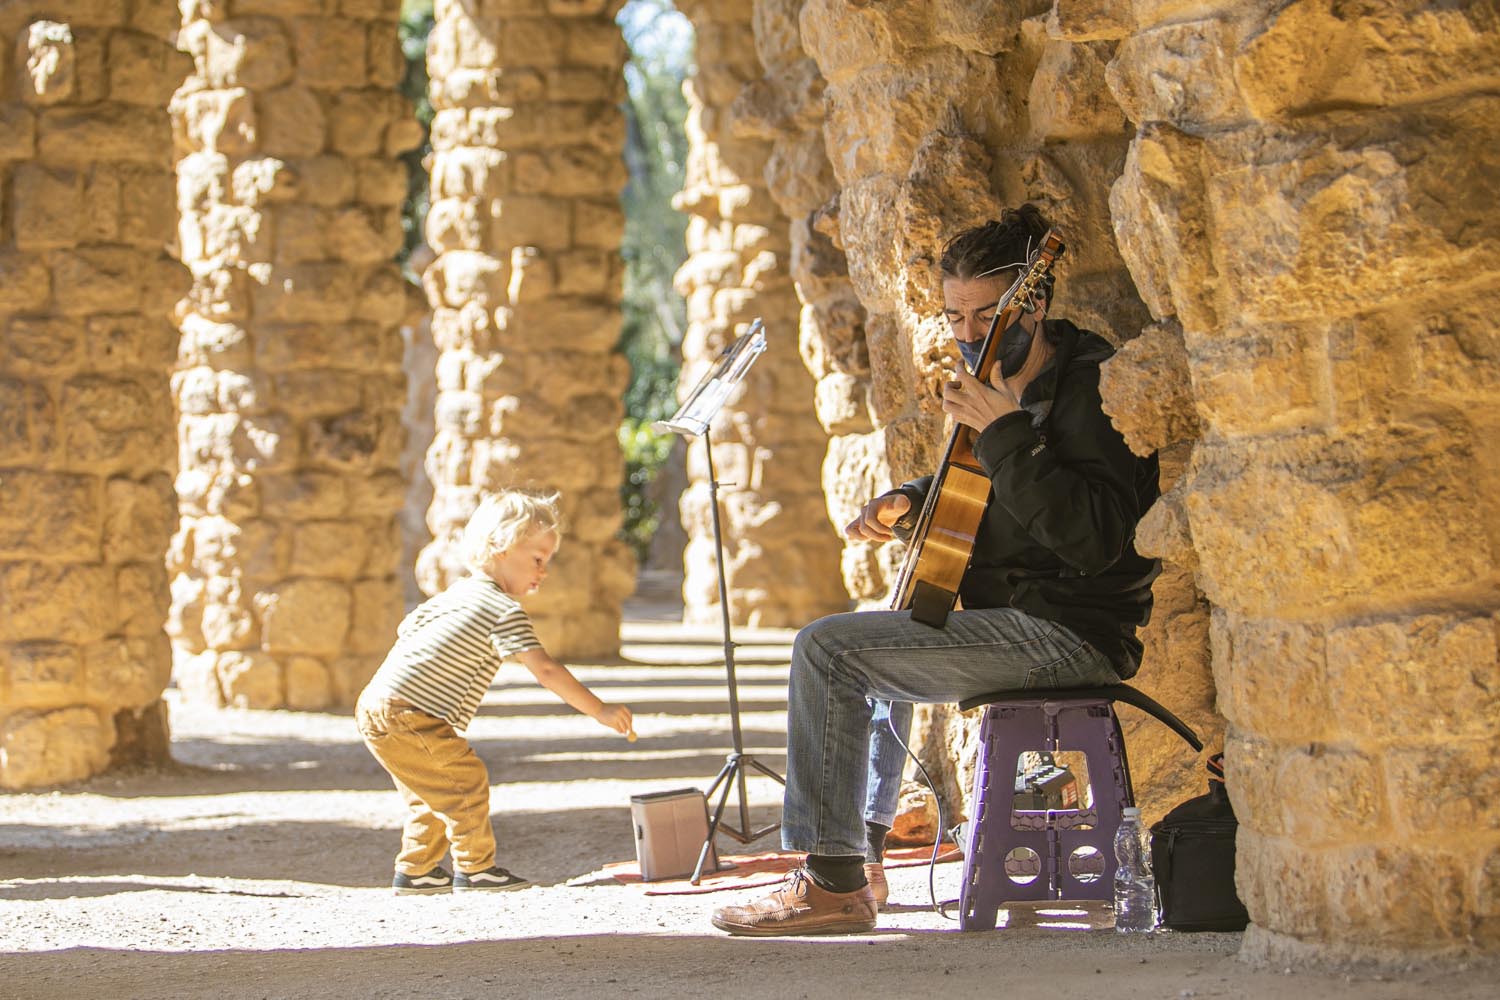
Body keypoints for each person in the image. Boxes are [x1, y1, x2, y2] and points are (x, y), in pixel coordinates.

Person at [710, 205, 1161, 934]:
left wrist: (1005, 429)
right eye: (954, 315)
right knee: (870, 631)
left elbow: (1092, 540)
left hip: (1068, 630)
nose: (968, 334)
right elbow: (987, 491)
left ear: (1033, 301)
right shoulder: (1001, 380)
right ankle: (866, 859)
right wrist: (910, 501)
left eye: (986, 314)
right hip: (1015, 614)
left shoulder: (1091, 389)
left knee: (826, 652)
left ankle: (831, 887)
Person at [355, 490, 634, 895]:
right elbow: (545, 669)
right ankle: (476, 867)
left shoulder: (456, 595)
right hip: (410, 711)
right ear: (500, 546)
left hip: (376, 703)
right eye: (538, 559)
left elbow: (409, 628)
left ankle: (417, 870)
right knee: (466, 780)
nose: (544, 572)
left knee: (430, 791)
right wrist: (600, 711)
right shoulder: (501, 608)